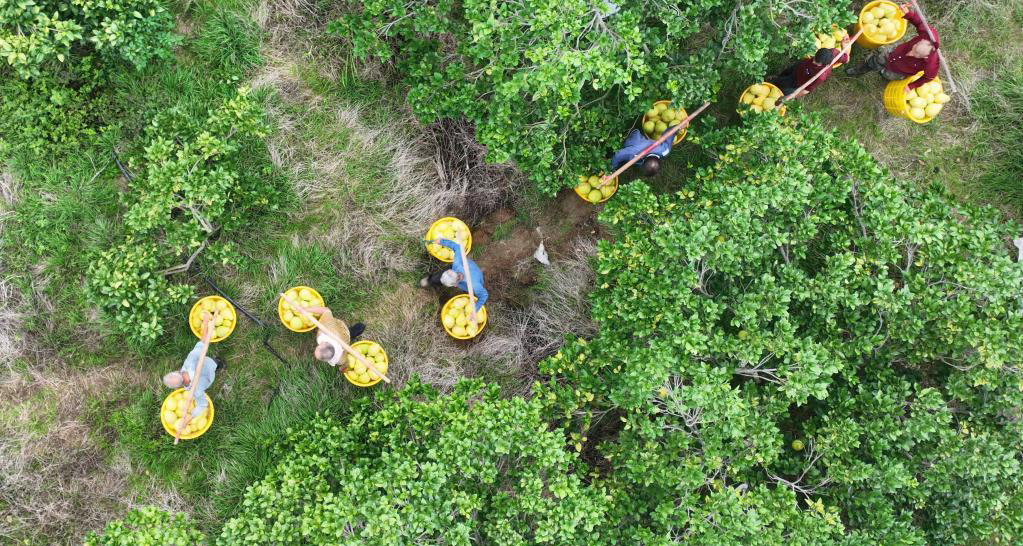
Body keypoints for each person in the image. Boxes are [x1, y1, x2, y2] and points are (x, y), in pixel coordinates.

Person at [846, 4, 939, 92]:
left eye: (915, 55)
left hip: (899, 70)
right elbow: (919, 23)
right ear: (921, 41)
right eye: (913, 49)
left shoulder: (932, 65)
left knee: (887, 75)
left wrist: (912, 86)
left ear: (925, 57)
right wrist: (908, 14)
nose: (910, 53)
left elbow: (928, 78)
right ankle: (859, 70)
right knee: (875, 60)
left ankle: (883, 74)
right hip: (895, 52)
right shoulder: (928, 34)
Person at [163, 313, 219, 419]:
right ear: (177, 371)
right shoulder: (190, 361)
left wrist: (189, 417)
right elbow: (202, 342)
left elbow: (202, 404)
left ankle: (218, 365)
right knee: (216, 363)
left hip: (209, 379)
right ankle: (219, 363)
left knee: (214, 366)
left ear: (179, 387)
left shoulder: (195, 391)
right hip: (210, 364)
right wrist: (206, 324)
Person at [419, 238, 488, 312]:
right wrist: (442, 242)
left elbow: (484, 295)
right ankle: (430, 280)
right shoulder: (457, 264)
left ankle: (478, 274)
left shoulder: (474, 285)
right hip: (468, 267)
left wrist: (475, 308)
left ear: (455, 285)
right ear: (450, 271)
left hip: (474, 277)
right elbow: (458, 247)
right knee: (437, 277)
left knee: (473, 289)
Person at [770, 39, 850, 98]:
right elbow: (846, 59)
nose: (813, 62)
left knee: (781, 91)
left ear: (825, 65)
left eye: (817, 63)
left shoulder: (820, 76)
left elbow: (806, 90)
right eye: (815, 59)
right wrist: (844, 46)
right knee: (784, 74)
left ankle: (775, 87)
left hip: (798, 81)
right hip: (799, 66)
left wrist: (793, 96)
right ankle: (776, 79)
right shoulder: (833, 52)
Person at [297, 304, 365, 367]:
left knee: (350, 333)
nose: (317, 345)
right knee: (356, 330)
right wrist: (306, 310)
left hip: (342, 331)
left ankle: (355, 330)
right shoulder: (340, 359)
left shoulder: (329, 328)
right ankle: (358, 328)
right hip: (342, 337)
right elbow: (326, 310)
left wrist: (306, 309)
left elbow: (326, 310)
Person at [609, 126, 674, 177]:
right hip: (634, 139)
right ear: (643, 161)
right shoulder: (634, 152)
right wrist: (612, 168)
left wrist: (677, 128)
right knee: (627, 144)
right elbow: (618, 155)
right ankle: (629, 133)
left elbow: (670, 133)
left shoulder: (665, 150)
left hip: (644, 142)